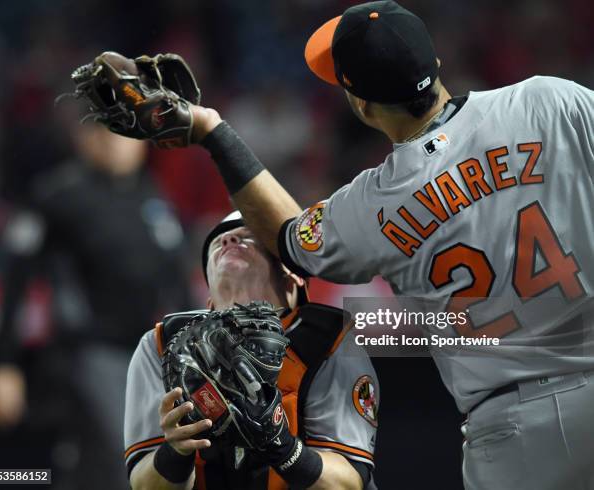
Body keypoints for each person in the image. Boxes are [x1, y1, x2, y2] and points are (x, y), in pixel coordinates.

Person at [174, 2, 593, 489]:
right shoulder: (550, 102)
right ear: (436, 66)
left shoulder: (372, 205)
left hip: (511, 431)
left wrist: (213, 132)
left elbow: (286, 236)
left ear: (362, 106)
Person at [0, 122, 190, 489]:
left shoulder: (152, 198)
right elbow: (17, 281)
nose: (119, 145)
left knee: (139, 464)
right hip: (86, 352)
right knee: (121, 457)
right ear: (86, 138)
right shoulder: (58, 195)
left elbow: (178, 287)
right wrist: (4, 363)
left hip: (147, 357)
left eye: (129, 136)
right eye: (108, 134)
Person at [124, 211, 379, 490]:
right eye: (218, 243)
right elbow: (145, 485)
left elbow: (347, 483)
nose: (229, 239)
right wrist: (176, 452)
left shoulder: (328, 339)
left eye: (250, 237)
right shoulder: (164, 344)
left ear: (293, 281)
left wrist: (282, 448)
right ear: (208, 301)